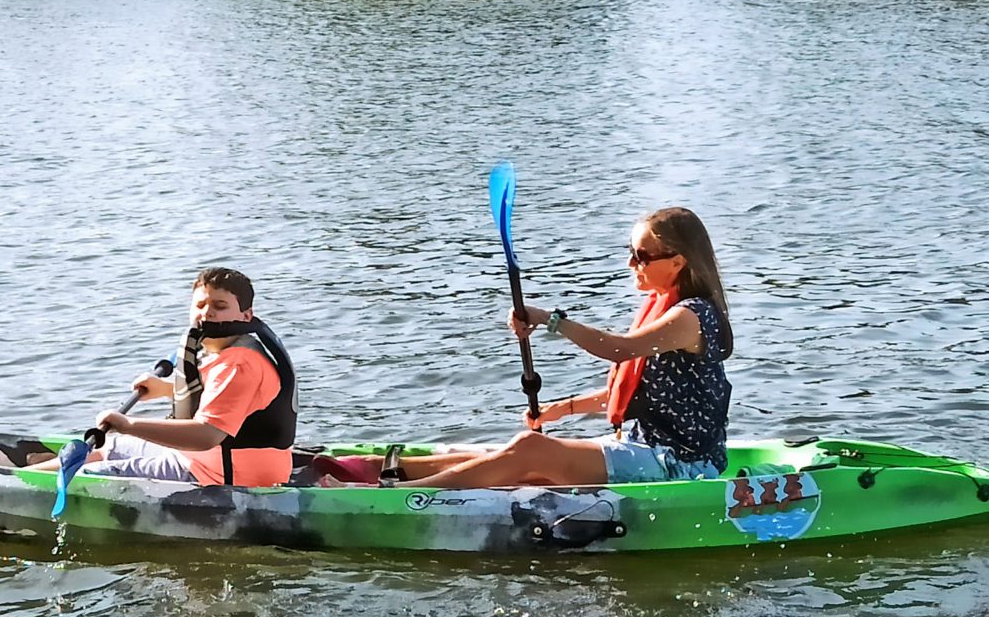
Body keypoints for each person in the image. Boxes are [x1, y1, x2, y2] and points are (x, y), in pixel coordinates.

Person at [380, 207, 733, 489]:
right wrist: (557, 410)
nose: (631, 264)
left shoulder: (690, 317)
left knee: (531, 450)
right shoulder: (664, 307)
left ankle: (398, 497)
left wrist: (550, 320)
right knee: (507, 453)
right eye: (631, 252)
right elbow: (636, 395)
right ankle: (381, 472)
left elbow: (619, 349)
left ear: (678, 261)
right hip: (646, 449)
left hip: (681, 467)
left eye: (642, 255)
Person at [44, 268, 297, 486]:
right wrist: (166, 388)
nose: (207, 313)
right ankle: (18, 474)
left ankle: (18, 485)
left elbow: (206, 435)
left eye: (220, 306)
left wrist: (128, 424)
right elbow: (227, 399)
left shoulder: (237, 364)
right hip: (204, 462)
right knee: (108, 447)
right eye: (200, 305)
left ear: (246, 315)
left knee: (90, 475)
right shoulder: (230, 349)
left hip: (222, 479)